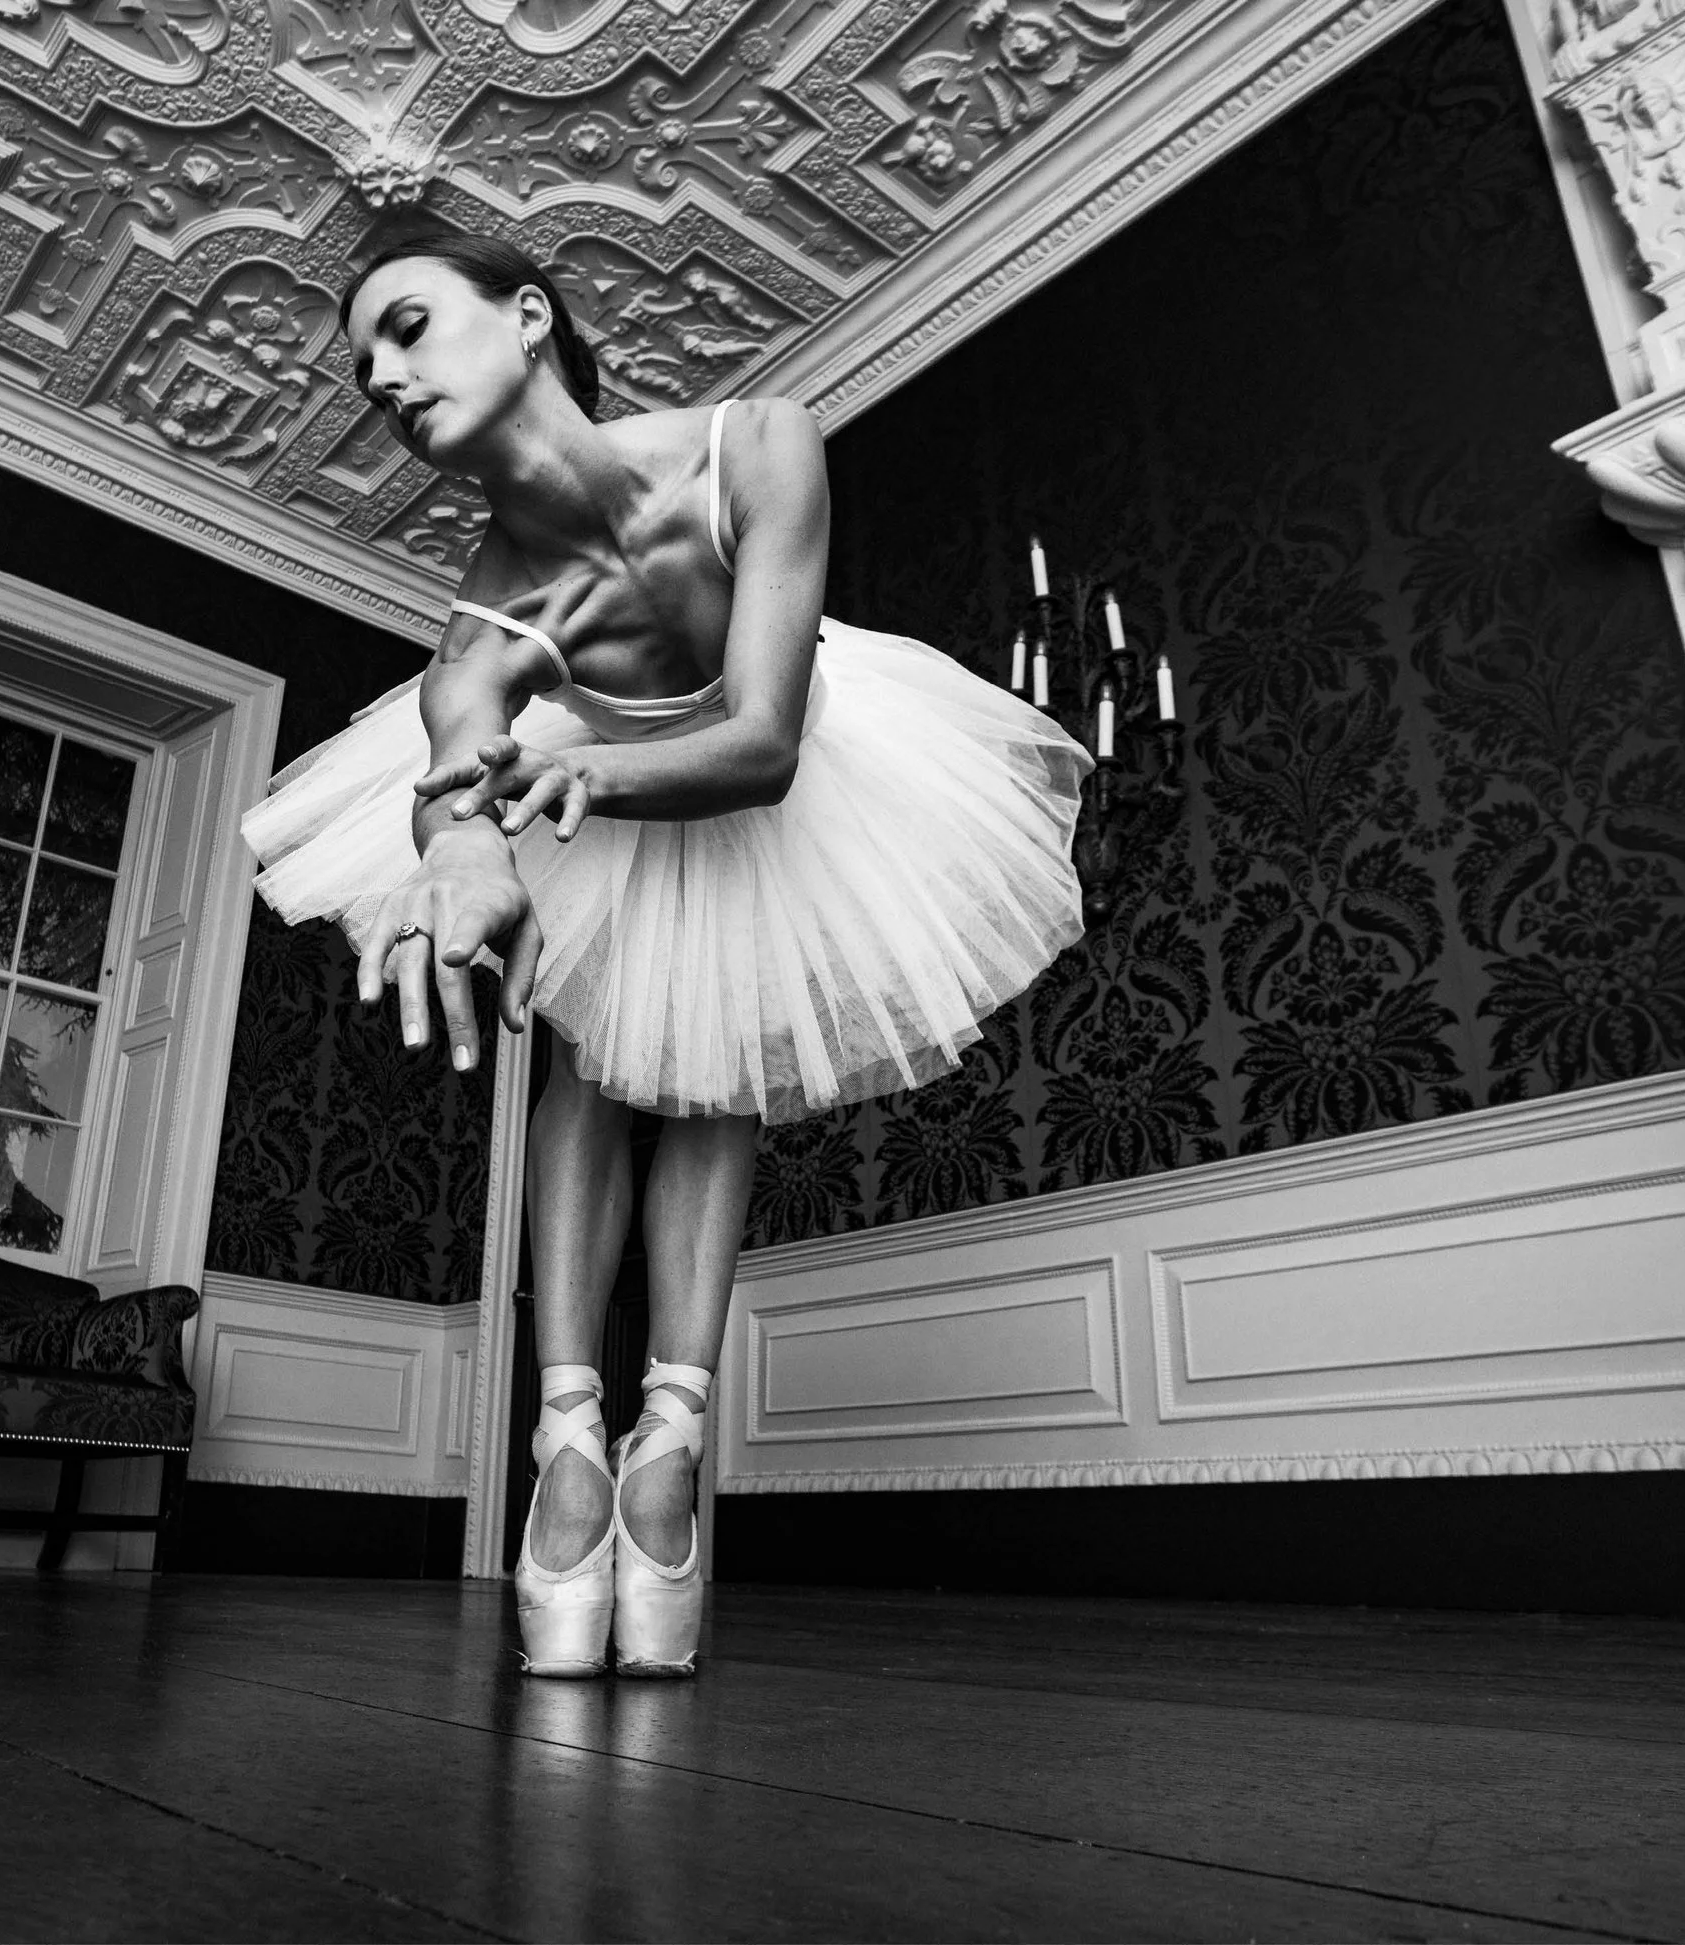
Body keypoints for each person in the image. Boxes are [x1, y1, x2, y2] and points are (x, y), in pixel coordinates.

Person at [240, 232, 1090, 1678]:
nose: (381, 380)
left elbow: (760, 740)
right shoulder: (486, 623)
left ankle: (669, 1445)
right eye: (365, 367)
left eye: (403, 328)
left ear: (528, 315)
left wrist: (579, 791)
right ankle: (574, 1444)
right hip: (603, 772)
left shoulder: (759, 443)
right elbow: (457, 765)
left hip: (782, 761)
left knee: (714, 1064)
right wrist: (458, 848)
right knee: (591, 1056)